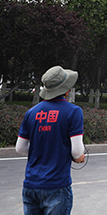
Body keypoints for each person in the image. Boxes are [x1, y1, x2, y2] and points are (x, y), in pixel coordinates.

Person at [15, 65, 85, 215]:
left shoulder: (31, 112)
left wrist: (41, 150)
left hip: (31, 185)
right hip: (56, 186)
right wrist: (77, 156)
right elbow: (77, 151)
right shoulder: (73, 111)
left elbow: (20, 148)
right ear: (67, 90)